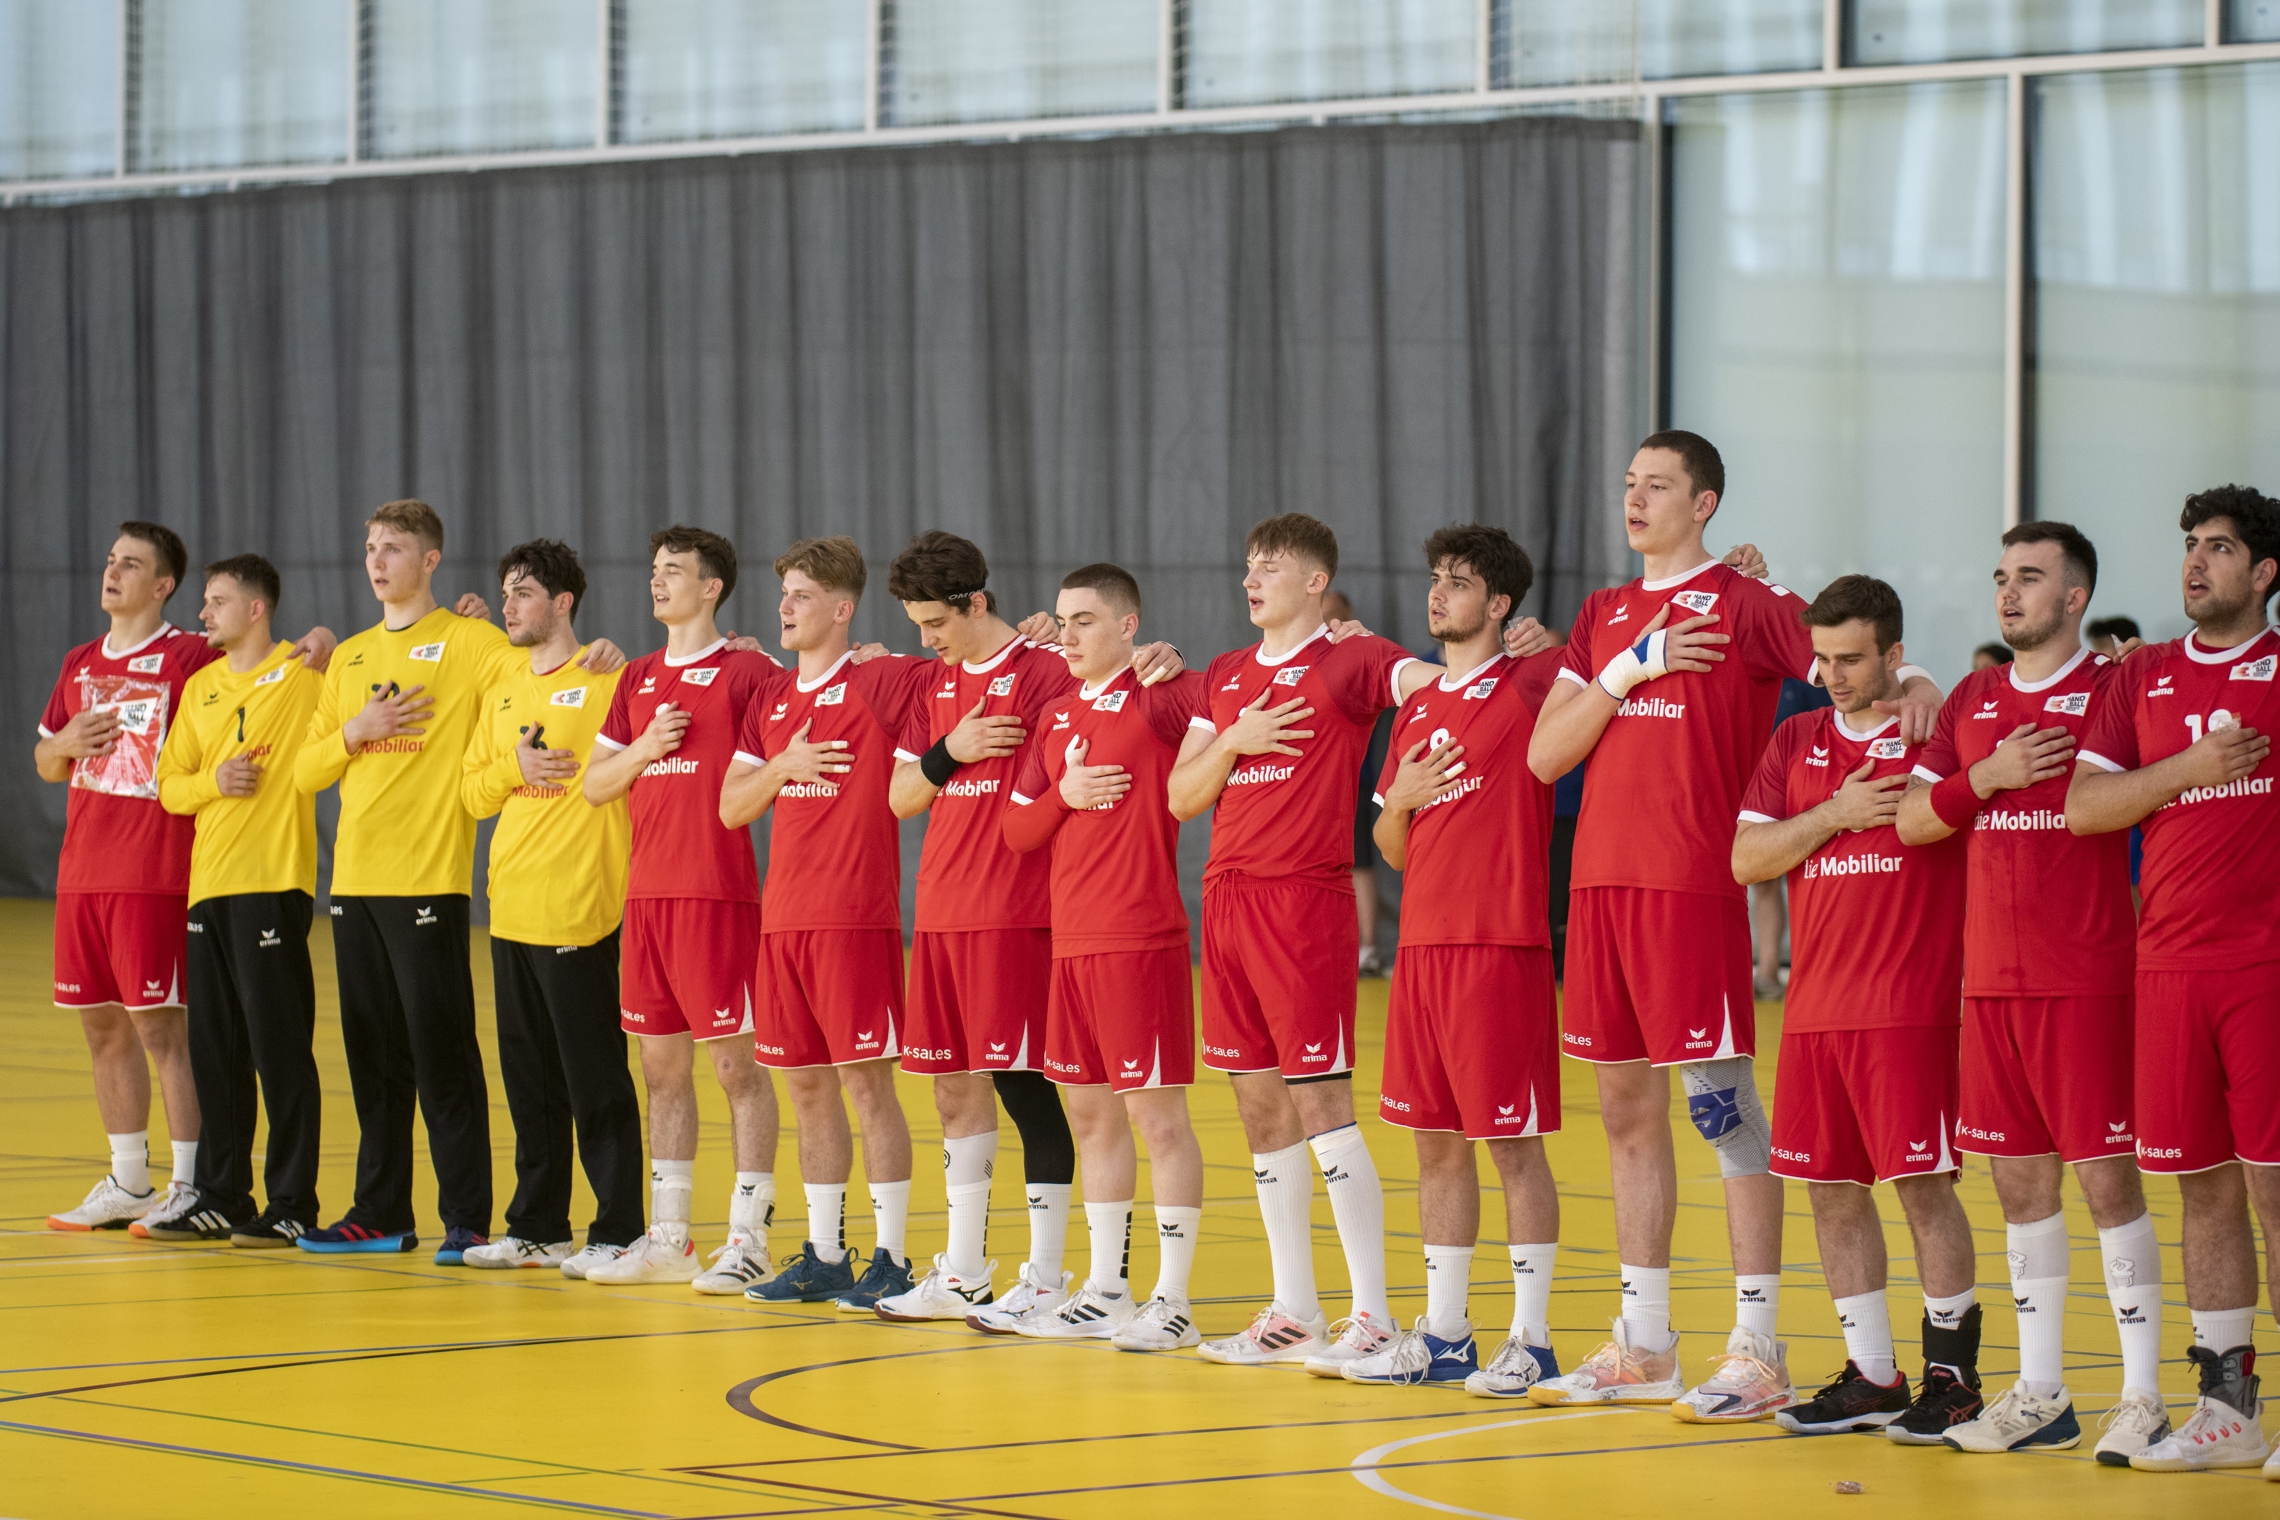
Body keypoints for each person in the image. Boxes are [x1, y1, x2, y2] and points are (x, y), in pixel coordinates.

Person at [1525, 432, 1941, 1414]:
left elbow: (1866, 669)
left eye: (1656, 484)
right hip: (1600, 891)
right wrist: (1632, 664)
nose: (1634, 497)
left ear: (1704, 501)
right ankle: (1647, 1339)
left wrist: (1922, 690)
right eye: (1628, 481)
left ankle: (1759, 1345)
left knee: (1721, 1112)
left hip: (1690, 887)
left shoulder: (1750, 604)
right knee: (1626, 1113)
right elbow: (1547, 755)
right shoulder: (1603, 613)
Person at [1897, 521, 2162, 1461]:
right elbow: (1913, 820)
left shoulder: (2117, 688)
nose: (2009, 594)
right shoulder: (1973, 695)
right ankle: (2042, 1392)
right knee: (2018, 1186)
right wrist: (1989, 776)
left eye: (2031, 579)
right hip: (1991, 986)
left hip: (2089, 978)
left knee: (2106, 1183)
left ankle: (2142, 1395)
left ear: (2076, 597)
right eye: (2002, 576)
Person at [873, 533, 1181, 1328]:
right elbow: (902, 795)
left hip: (1020, 915)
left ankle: (1047, 1273)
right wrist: (953, 748)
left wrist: (1159, 657)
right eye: (916, 623)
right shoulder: (933, 681)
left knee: (1030, 1092)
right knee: (951, 1092)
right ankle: (967, 1271)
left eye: (936, 620)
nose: (926, 638)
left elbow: (1130, 684)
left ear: (977, 602)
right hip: (940, 911)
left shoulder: (1047, 666)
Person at [1167, 512, 1449, 1370]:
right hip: (1228, 901)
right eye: (1249, 564)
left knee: (1321, 1102)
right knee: (1257, 1104)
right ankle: (1295, 1306)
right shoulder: (1226, 675)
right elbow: (1182, 796)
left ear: (1316, 582)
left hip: (1304, 902)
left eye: (1273, 567)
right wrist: (1239, 741)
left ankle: (1372, 1313)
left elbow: (1444, 684)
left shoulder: (1354, 659)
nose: (1252, 579)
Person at [294, 500, 606, 1263]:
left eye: (393, 549)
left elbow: (546, 662)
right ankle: (380, 1211)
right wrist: (353, 733)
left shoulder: (471, 642)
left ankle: (465, 1216)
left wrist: (601, 651)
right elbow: (304, 771)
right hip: (355, 885)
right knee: (372, 1057)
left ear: (430, 560)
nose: (377, 561)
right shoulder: (352, 656)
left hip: (427, 881)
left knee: (443, 1056)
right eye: (370, 547)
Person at [1733, 575, 1979, 1441]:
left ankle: (1955, 1379)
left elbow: (1964, 722)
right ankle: (1874, 1374)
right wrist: (1834, 814)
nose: (1833, 674)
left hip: (1909, 1008)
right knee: (1831, 1193)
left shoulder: (1933, 732)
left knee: (1921, 1190)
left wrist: (1927, 694)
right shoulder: (1795, 738)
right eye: (1824, 658)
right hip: (1814, 1010)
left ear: (1894, 655)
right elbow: (1746, 858)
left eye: (1853, 658)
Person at [38, 523, 332, 1238]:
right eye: (110, 559)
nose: (111, 571)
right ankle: (128, 1178)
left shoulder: (191, 655)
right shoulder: (79, 661)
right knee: (102, 1025)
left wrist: (320, 639)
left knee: (167, 1031)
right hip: (83, 871)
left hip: (160, 873)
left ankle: (196, 1182)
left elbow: (271, 650)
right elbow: (46, 761)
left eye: (129, 563)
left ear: (162, 585)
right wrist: (66, 745)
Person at [2069, 484, 2280, 1476]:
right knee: (2200, 1187)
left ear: (2265, 572)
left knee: (2277, 1188)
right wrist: (2191, 766)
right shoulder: (2141, 674)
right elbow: (2088, 805)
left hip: (2266, 968)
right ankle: (2229, 1409)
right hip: (2170, 968)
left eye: (2222, 547)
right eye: (2191, 544)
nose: (2197, 561)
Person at [1341, 525, 1567, 1394]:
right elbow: (1390, 847)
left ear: (1500, 603)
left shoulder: (1530, 681)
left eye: (1460, 581)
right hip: (1421, 953)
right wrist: (1395, 801)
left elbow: (1603, 666)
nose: (1439, 594)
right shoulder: (1419, 708)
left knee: (1511, 1147)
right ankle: (1444, 1335)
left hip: (1498, 945)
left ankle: (1534, 1340)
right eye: (1436, 577)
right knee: (1434, 1143)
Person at [1001, 563, 1212, 1350]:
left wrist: (1175, 660)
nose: (1066, 634)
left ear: (1128, 626)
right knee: (1090, 1116)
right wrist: (1068, 794)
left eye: (1084, 620)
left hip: (1139, 938)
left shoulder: (1162, 696)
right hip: (1073, 943)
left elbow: (1228, 695)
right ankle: (1106, 1287)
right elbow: (1018, 831)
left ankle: (1175, 1299)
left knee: (1155, 1118)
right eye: (1061, 620)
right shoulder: (1055, 715)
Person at [726, 538, 934, 1311]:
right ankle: (822, 1253)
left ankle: (892, 1257)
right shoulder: (772, 701)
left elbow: (974, 666)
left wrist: (1050, 630)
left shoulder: (882, 679)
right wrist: (780, 768)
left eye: (803, 596)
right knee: (808, 1089)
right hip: (782, 923)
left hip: (853, 918)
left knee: (866, 1087)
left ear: (843, 609)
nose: (784, 607)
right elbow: (729, 806)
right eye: (783, 593)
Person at [581, 526, 784, 1289]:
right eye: (654, 570)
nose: (658, 581)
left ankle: (748, 1237)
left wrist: (857, 657)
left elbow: (809, 694)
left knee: (736, 1067)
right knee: (661, 1072)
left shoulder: (747, 670)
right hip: (648, 897)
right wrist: (644, 749)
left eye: (675, 572)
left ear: (712, 589)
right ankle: (668, 1238)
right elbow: (598, 784)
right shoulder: (635, 678)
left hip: (717, 894)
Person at [459, 540, 646, 1274]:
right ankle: (537, 1224)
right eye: (505, 591)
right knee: (529, 1082)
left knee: (594, 1077)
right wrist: (516, 767)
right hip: (511, 906)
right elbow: (472, 794)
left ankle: (618, 1228)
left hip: (581, 902)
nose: (509, 605)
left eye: (524, 593)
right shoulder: (504, 687)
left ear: (563, 603)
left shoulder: (609, 676)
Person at [151, 555, 325, 1245]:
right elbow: (170, 784)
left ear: (256, 609)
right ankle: (222, 1193)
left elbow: (338, 661)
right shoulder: (201, 688)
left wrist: (325, 639)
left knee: (278, 1047)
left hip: (272, 881)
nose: (203, 613)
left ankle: (291, 1203)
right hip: (209, 887)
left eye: (217, 601)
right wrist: (213, 782)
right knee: (214, 1048)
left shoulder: (303, 674)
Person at [1323, 589, 1393, 976]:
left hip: (1361, 780)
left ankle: (1366, 947)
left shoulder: (1362, 654)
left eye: (1335, 615)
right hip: (1312, 788)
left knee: (1361, 862)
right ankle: (1333, 946)